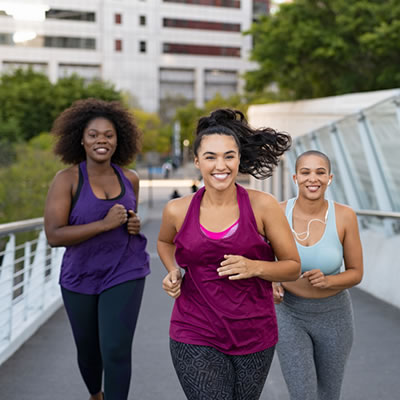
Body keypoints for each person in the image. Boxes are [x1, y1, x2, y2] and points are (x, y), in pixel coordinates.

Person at [157, 109, 301, 400]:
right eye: (210, 157)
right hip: (194, 330)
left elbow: (292, 267)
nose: (220, 165)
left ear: (239, 160)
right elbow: (164, 242)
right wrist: (173, 270)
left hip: (254, 333)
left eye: (229, 156)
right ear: (196, 161)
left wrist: (254, 267)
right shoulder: (177, 210)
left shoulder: (263, 206)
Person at [44, 98, 150, 400]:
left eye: (108, 135)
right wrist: (103, 224)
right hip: (81, 275)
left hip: (125, 270)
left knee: (116, 349)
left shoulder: (130, 178)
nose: (101, 140)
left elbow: (129, 219)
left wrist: (133, 223)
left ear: (119, 140)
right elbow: (54, 235)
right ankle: (95, 394)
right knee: (89, 351)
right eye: (93, 134)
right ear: (80, 138)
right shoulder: (66, 180)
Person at [273, 150, 364, 400]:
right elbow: (264, 259)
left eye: (320, 172)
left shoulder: (345, 216)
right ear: (295, 178)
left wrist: (329, 281)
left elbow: (356, 273)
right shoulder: (277, 212)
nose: (313, 178)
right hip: (289, 314)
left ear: (330, 178)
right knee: (303, 394)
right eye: (305, 172)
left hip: (334, 315)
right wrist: (272, 281)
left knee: (328, 394)